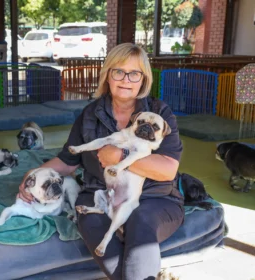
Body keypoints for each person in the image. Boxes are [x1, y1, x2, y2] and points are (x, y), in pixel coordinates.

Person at [17, 43, 184, 280]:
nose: (126, 79)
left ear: (144, 79)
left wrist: (120, 157)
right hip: (99, 194)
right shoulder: (89, 115)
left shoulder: (160, 113)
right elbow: (67, 162)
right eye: (119, 71)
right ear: (107, 75)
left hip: (154, 198)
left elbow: (167, 169)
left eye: (134, 73)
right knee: (103, 241)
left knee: (139, 221)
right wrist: (32, 174)